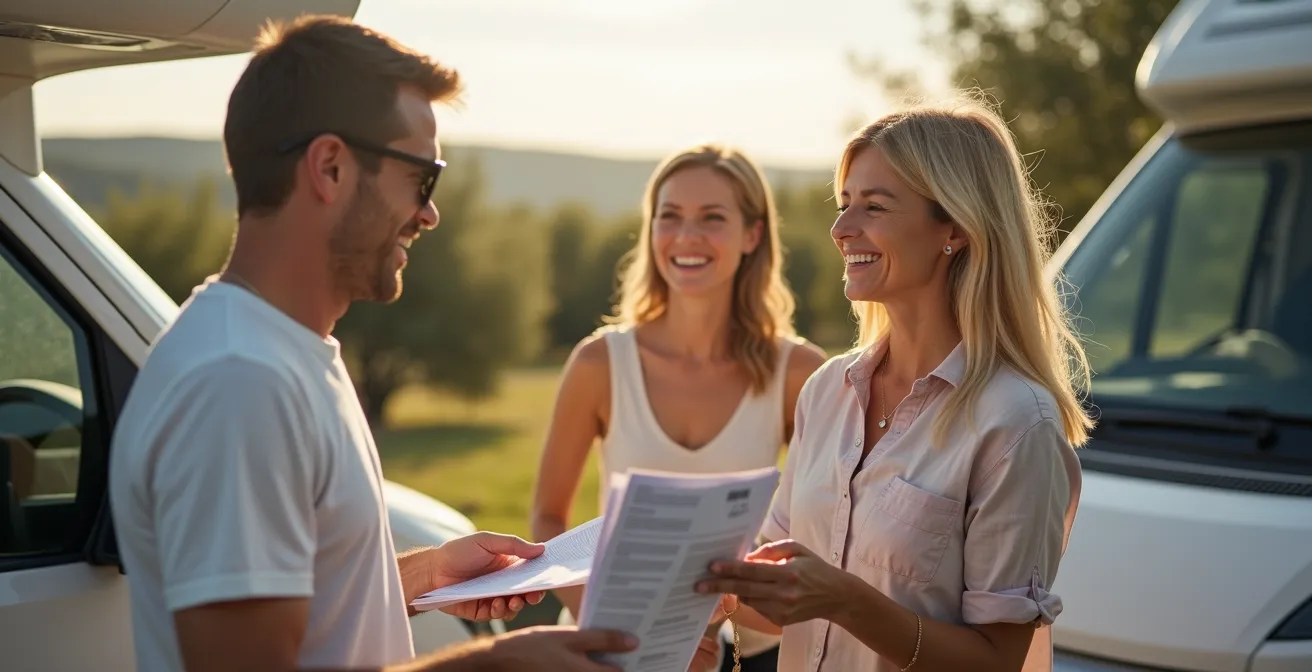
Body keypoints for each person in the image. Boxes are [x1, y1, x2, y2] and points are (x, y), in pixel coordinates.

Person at [107, 15, 636, 672]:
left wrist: (424, 575)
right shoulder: (240, 381)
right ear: (330, 167)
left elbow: (311, 609)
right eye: (422, 178)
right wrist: (495, 665)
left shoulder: (281, 356)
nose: (429, 213)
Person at [692, 95, 1093, 671]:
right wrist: (701, 596)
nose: (840, 229)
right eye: (844, 204)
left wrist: (846, 601)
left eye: (874, 207)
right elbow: (782, 597)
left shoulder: (1015, 422)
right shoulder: (826, 391)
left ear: (955, 227)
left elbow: (997, 661)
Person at [529, 143, 827, 671]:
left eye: (712, 217)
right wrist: (619, 630)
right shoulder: (600, 363)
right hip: (609, 648)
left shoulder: (799, 372)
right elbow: (548, 516)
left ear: (752, 235)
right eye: (670, 216)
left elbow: (822, 536)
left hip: (752, 648)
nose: (687, 236)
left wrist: (723, 618)